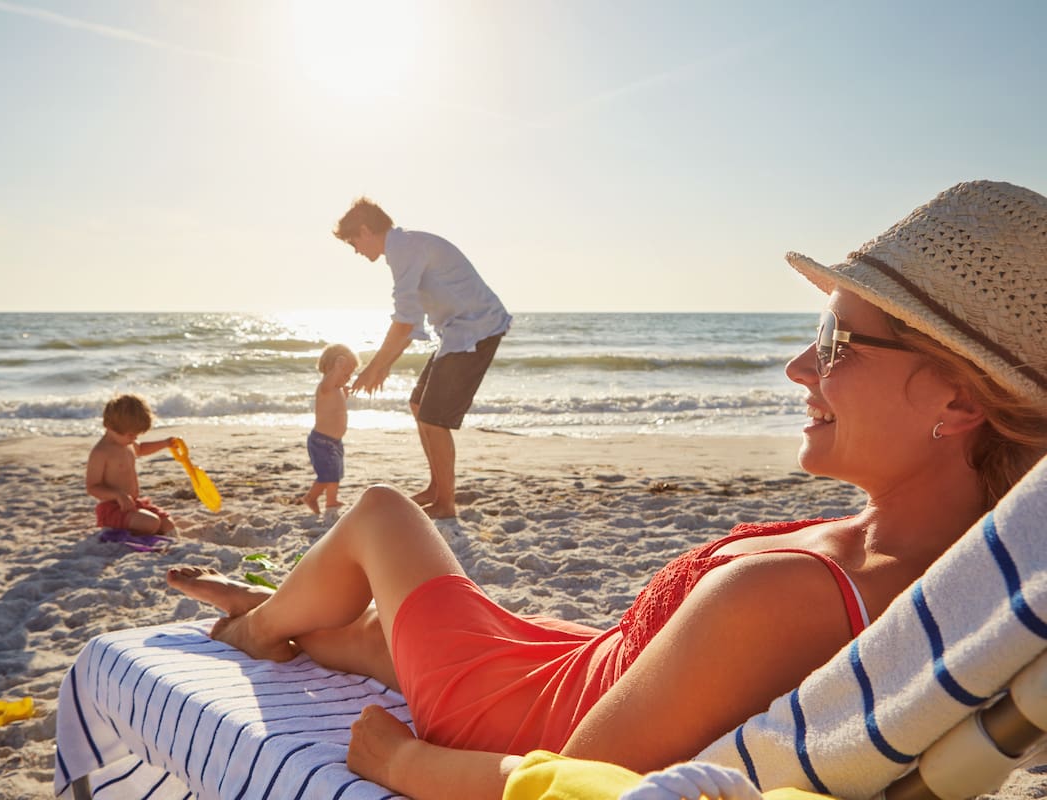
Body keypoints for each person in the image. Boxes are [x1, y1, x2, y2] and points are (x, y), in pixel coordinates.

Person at [167, 180, 1047, 800]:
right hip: (576, 665)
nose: (796, 365)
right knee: (363, 635)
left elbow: (583, 790)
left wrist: (402, 766)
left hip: (517, 718)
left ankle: (252, 626)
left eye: (838, 343)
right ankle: (282, 613)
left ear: (960, 398)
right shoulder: (925, 570)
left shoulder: (790, 594)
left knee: (383, 513)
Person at [333, 198, 512, 519]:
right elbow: (411, 320)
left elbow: (404, 321)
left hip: (477, 330)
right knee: (419, 406)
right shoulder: (403, 247)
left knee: (433, 418)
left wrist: (375, 366)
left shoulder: (405, 248)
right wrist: (382, 365)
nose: (356, 250)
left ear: (365, 230)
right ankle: (436, 489)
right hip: (457, 332)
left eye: (353, 242)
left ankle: (446, 503)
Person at [86, 393, 178, 536]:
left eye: (136, 435)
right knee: (151, 523)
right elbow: (92, 487)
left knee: (168, 524)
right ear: (109, 426)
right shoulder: (101, 452)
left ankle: (136, 529)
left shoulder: (127, 443)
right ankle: (115, 530)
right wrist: (118, 496)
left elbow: (140, 449)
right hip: (113, 508)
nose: (134, 438)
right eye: (130, 435)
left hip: (133, 503)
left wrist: (165, 443)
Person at [304, 343, 360, 514]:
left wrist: (344, 394)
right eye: (346, 373)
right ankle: (311, 498)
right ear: (332, 368)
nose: (348, 377)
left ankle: (331, 501)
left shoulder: (336, 389)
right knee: (326, 475)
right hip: (321, 441)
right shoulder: (325, 386)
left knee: (335, 473)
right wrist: (337, 369)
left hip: (335, 441)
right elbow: (329, 381)